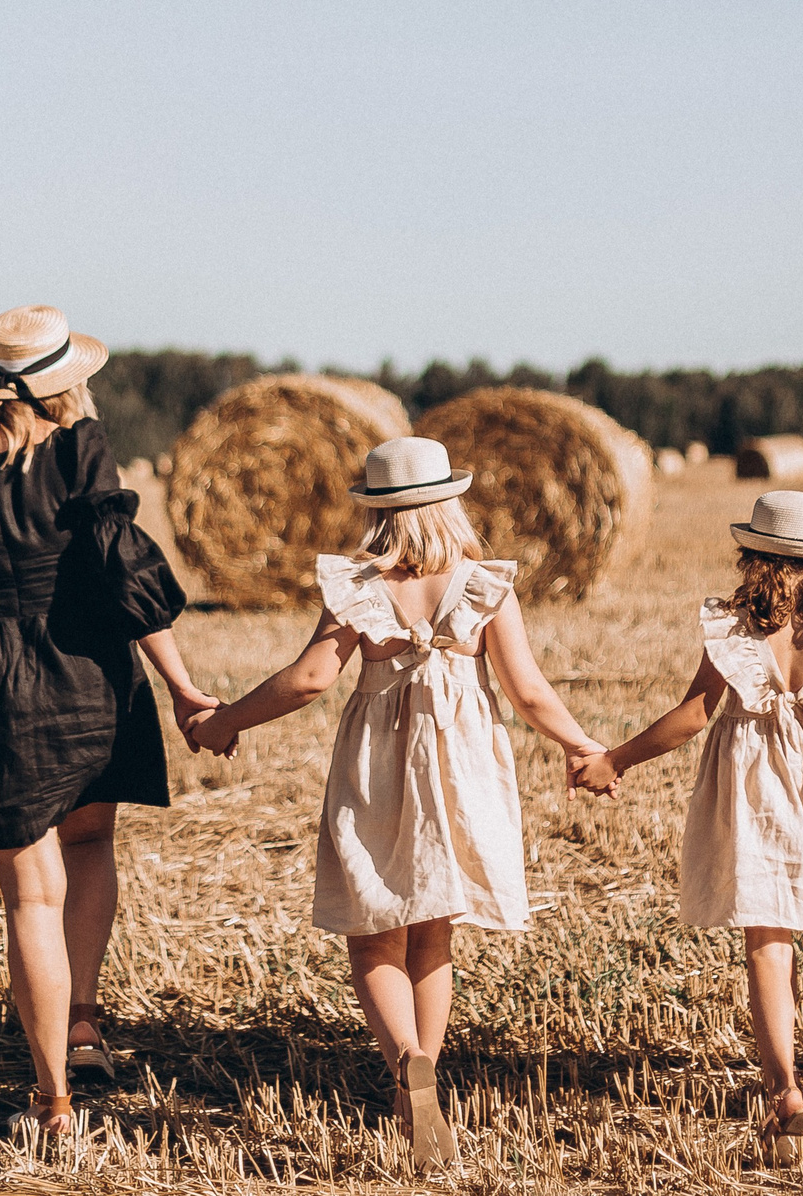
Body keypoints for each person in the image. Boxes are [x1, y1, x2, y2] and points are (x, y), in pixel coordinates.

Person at [185, 436, 612, 1172]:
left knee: (373, 929)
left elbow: (313, 676)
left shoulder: (360, 585)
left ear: (376, 514)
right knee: (432, 930)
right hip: (462, 763)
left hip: (378, 759)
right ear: (452, 502)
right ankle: (425, 1080)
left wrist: (228, 718)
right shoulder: (484, 585)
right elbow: (530, 690)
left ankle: (405, 1061)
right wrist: (581, 746)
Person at [0, 304, 220, 1139]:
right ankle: (83, 1024)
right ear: (68, 381)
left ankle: (51, 1102)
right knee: (89, 845)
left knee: (28, 899)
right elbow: (123, 572)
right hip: (85, 665)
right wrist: (182, 687)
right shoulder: (79, 449)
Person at [573, 491, 803, 1165]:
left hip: (749, 789)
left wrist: (614, 758)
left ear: (756, 559)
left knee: (767, 943)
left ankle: (784, 1093)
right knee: (781, 939)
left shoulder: (734, 626)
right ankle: (785, 1078)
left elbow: (694, 713)